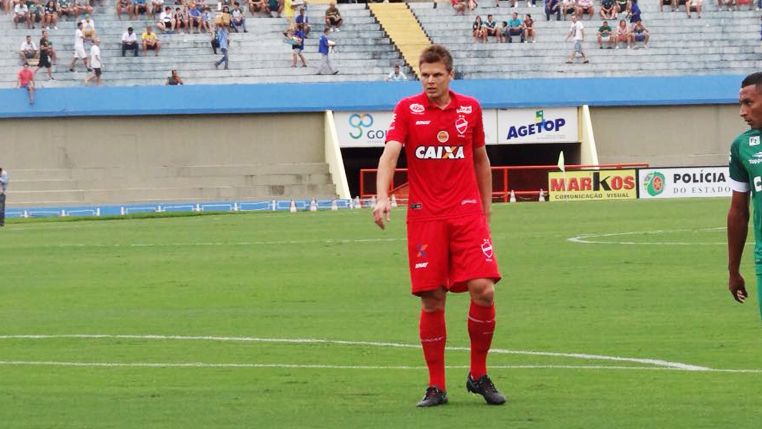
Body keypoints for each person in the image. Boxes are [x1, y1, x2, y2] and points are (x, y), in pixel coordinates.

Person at [372, 44, 506, 408]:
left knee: (485, 290)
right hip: (425, 215)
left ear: (450, 74)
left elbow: (481, 159)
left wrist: (486, 211)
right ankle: (436, 386)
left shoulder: (470, 109)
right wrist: (382, 195)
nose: (430, 81)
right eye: (424, 75)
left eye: (436, 75)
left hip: (466, 214)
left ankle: (478, 375)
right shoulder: (407, 110)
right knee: (433, 299)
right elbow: (390, 153)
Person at [726, 72, 762, 321]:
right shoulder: (743, 146)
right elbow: (738, 212)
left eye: (749, 103)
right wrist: (733, 270)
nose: (742, 112)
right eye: (740, 104)